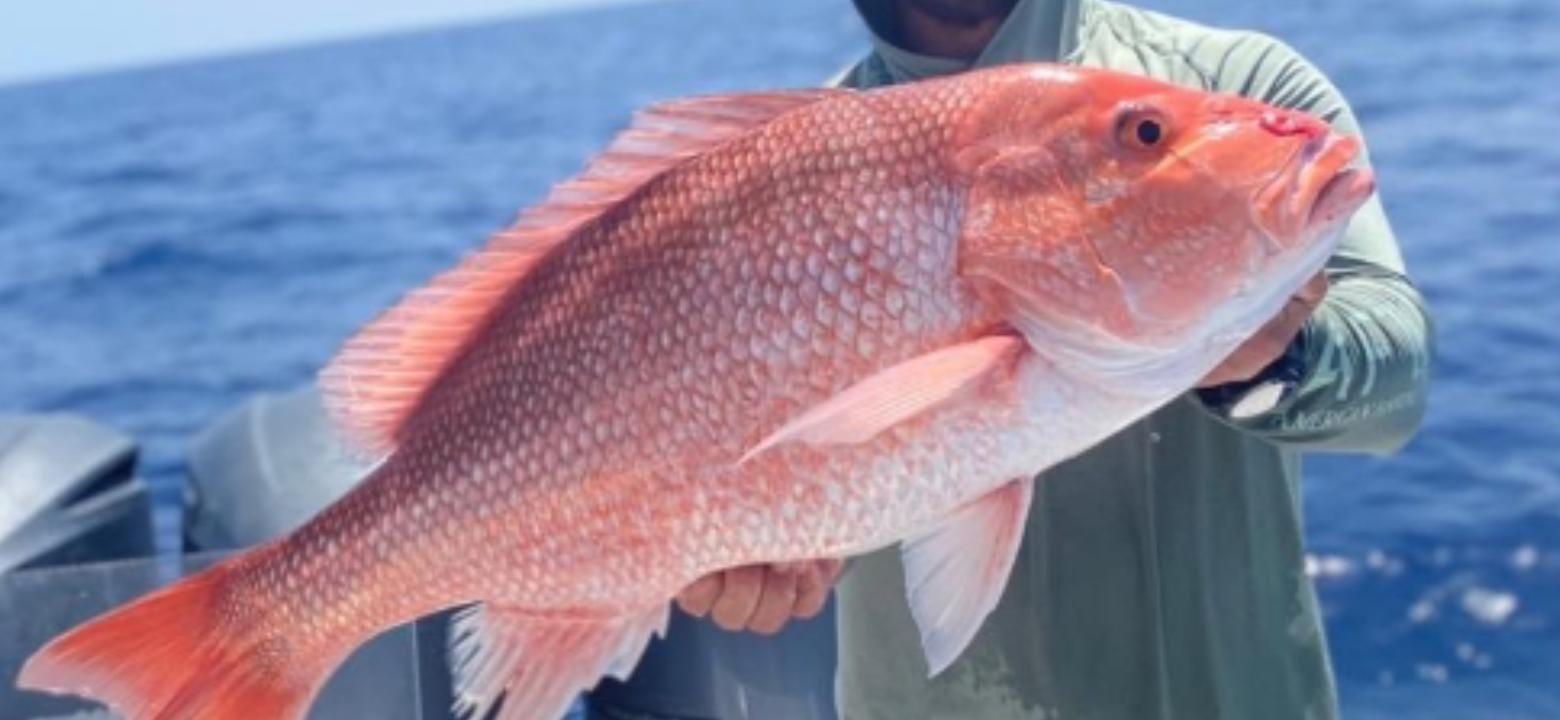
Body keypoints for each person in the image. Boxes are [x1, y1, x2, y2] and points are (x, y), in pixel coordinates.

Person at [670, 1, 1436, 719]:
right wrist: (749, 556)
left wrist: (1280, 362)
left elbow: (1395, 391)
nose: (1148, 138)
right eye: (1143, 137)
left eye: (1144, 139)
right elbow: (738, 467)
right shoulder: (767, 173)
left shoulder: (1233, 88)